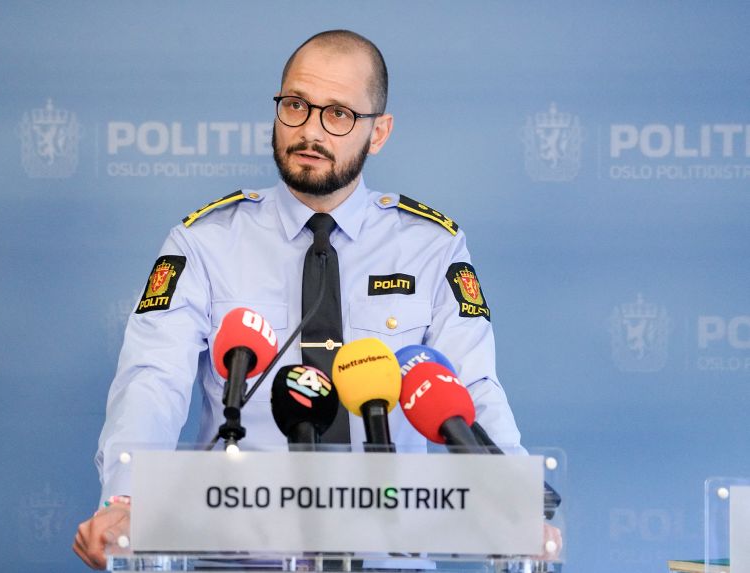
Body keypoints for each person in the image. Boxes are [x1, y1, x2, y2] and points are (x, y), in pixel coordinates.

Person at [73, 29, 535, 569]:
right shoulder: (205, 242)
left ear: (379, 132)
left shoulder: (431, 246)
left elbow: (472, 391)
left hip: (386, 557)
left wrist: (516, 502)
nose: (310, 131)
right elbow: (152, 381)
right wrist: (127, 500)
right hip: (240, 559)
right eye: (295, 106)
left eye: (337, 114)